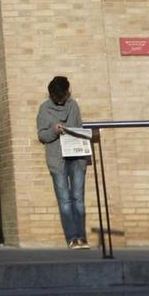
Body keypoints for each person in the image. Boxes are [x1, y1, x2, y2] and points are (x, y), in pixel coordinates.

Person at [36, 75, 90, 248]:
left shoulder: (73, 105)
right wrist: (54, 130)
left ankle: (82, 237)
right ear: (51, 95)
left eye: (64, 95)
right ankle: (72, 238)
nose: (61, 99)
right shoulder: (45, 109)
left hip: (76, 157)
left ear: (68, 92)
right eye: (58, 97)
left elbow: (79, 128)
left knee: (78, 198)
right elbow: (42, 135)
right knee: (65, 200)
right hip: (57, 159)